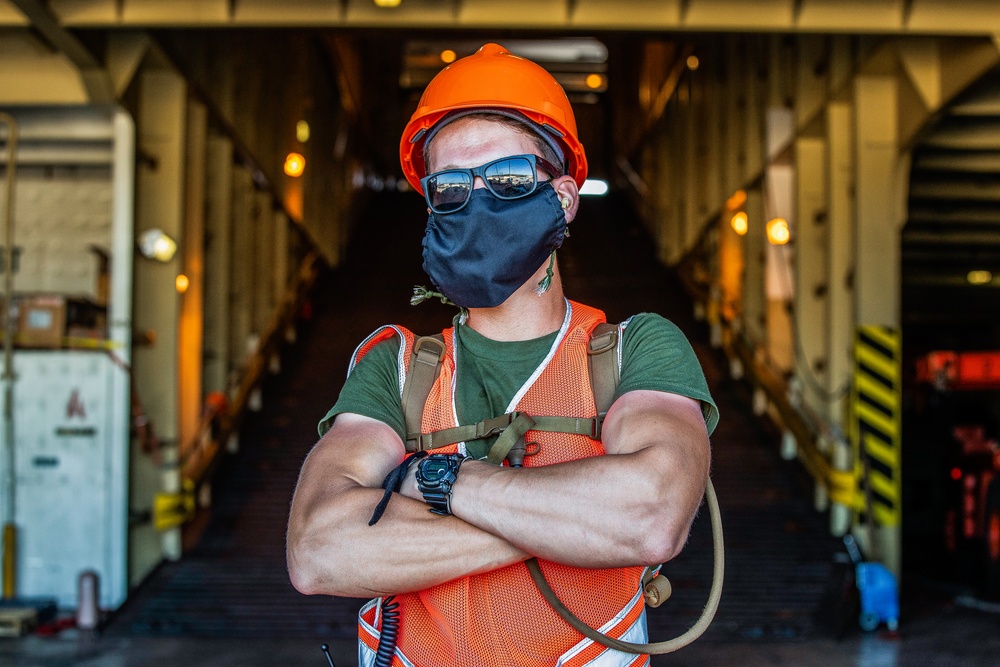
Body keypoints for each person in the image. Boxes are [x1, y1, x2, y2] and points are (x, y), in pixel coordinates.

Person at [287, 43, 718, 667]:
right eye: (450, 188)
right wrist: (575, 524)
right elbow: (318, 552)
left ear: (564, 198)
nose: (477, 200)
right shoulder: (396, 367)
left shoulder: (636, 350)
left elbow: (651, 516)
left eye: (509, 178)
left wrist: (438, 481)